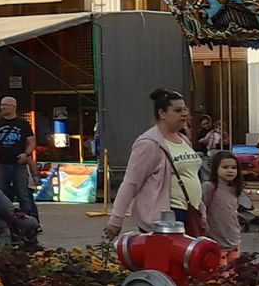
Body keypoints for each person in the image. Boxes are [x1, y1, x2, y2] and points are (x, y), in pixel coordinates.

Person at [106, 88, 213, 241]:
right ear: (162, 113)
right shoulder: (149, 144)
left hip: (190, 211)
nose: (184, 114)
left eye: (184, 109)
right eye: (177, 110)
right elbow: (131, 182)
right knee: (168, 262)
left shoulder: (184, 140)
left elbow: (191, 177)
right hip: (167, 215)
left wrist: (201, 210)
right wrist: (116, 219)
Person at [0, 96, 38, 217]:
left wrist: (26, 154)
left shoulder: (23, 124)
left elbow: (32, 142)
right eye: (1, 105)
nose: (2, 107)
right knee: (0, 193)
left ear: (13, 107)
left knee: (23, 194)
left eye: (5, 105)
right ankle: (3, 219)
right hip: (1, 164)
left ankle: (29, 221)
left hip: (19, 164)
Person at [201, 150, 247, 252]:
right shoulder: (209, 187)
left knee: (233, 267)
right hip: (215, 242)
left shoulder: (236, 189)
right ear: (215, 168)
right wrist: (204, 220)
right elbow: (201, 205)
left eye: (234, 168)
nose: (230, 171)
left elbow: (234, 211)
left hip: (233, 240)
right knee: (220, 267)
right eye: (225, 167)